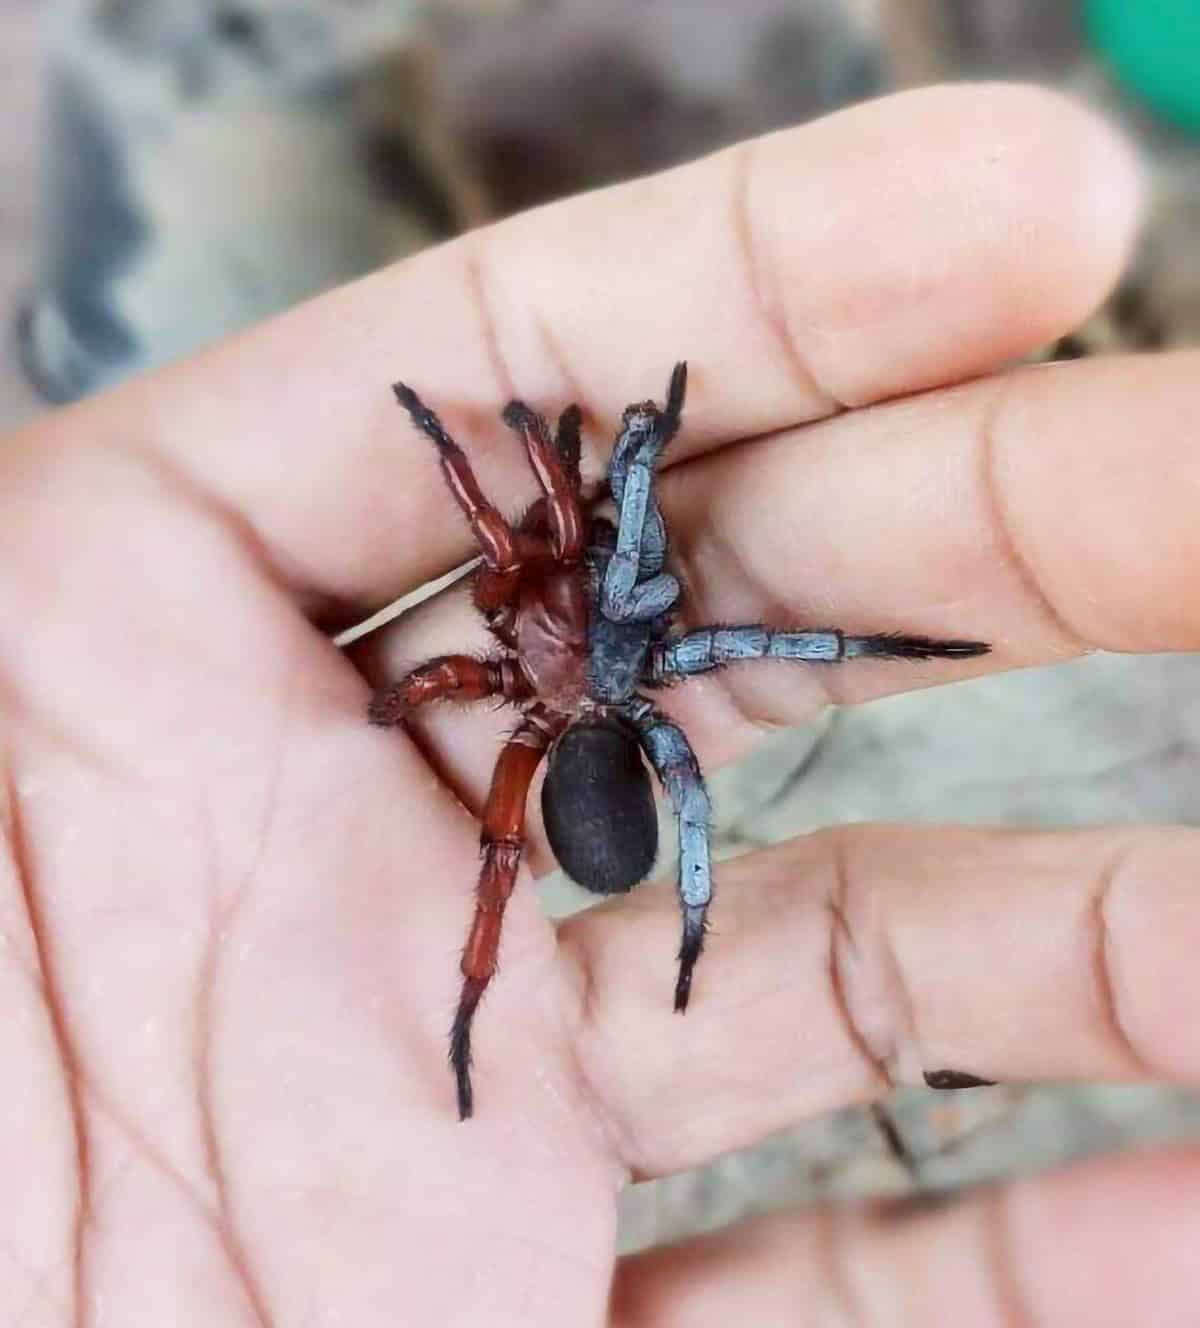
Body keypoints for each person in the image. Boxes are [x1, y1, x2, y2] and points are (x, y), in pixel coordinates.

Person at [0, 82, 1194, 1326]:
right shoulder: (603, 658)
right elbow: (518, 565)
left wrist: (577, 460)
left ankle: (570, 970)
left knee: (549, 787)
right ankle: (515, 987)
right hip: (606, 720)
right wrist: (490, 485)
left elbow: (514, 568)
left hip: (577, 718)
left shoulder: (522, 661)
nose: (551, 554)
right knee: (532, 817)